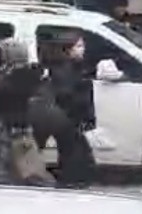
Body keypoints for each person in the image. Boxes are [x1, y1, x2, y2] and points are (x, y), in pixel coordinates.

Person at [0, 38, 51, 186]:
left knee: (17, 156)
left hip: (14, 121)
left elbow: (15, 92)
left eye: (3, 52)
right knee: (3, 154)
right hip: (2, 120)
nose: (1, 56)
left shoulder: (25, 74)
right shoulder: (6, 72)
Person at [33, 31, 96, 188]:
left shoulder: (69, 67)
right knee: (75, 152)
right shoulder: (65, 69)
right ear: (68, 49)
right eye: (78, 46)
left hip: (65, 118)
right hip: (67, 118)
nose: (83, 49)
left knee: (69, 150)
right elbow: (68, 94)